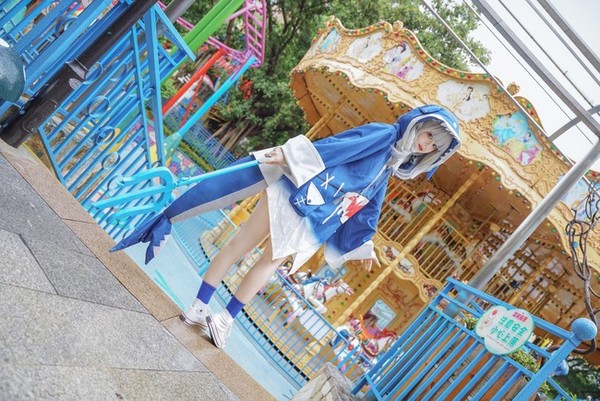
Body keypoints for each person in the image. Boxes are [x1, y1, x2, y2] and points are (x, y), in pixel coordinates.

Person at [112, 104, 461, 348]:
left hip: (314, 210)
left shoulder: (391, 162)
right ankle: (206, 309)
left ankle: (219, 317)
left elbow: (370, 203)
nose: (426, 144)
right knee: (245, 248)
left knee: (264, 260)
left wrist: (361, 244)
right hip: (299, 190)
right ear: (418, 124)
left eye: (434, 145)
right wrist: (290, 156)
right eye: (429, 134)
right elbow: (337, 147)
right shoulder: (384, 135)